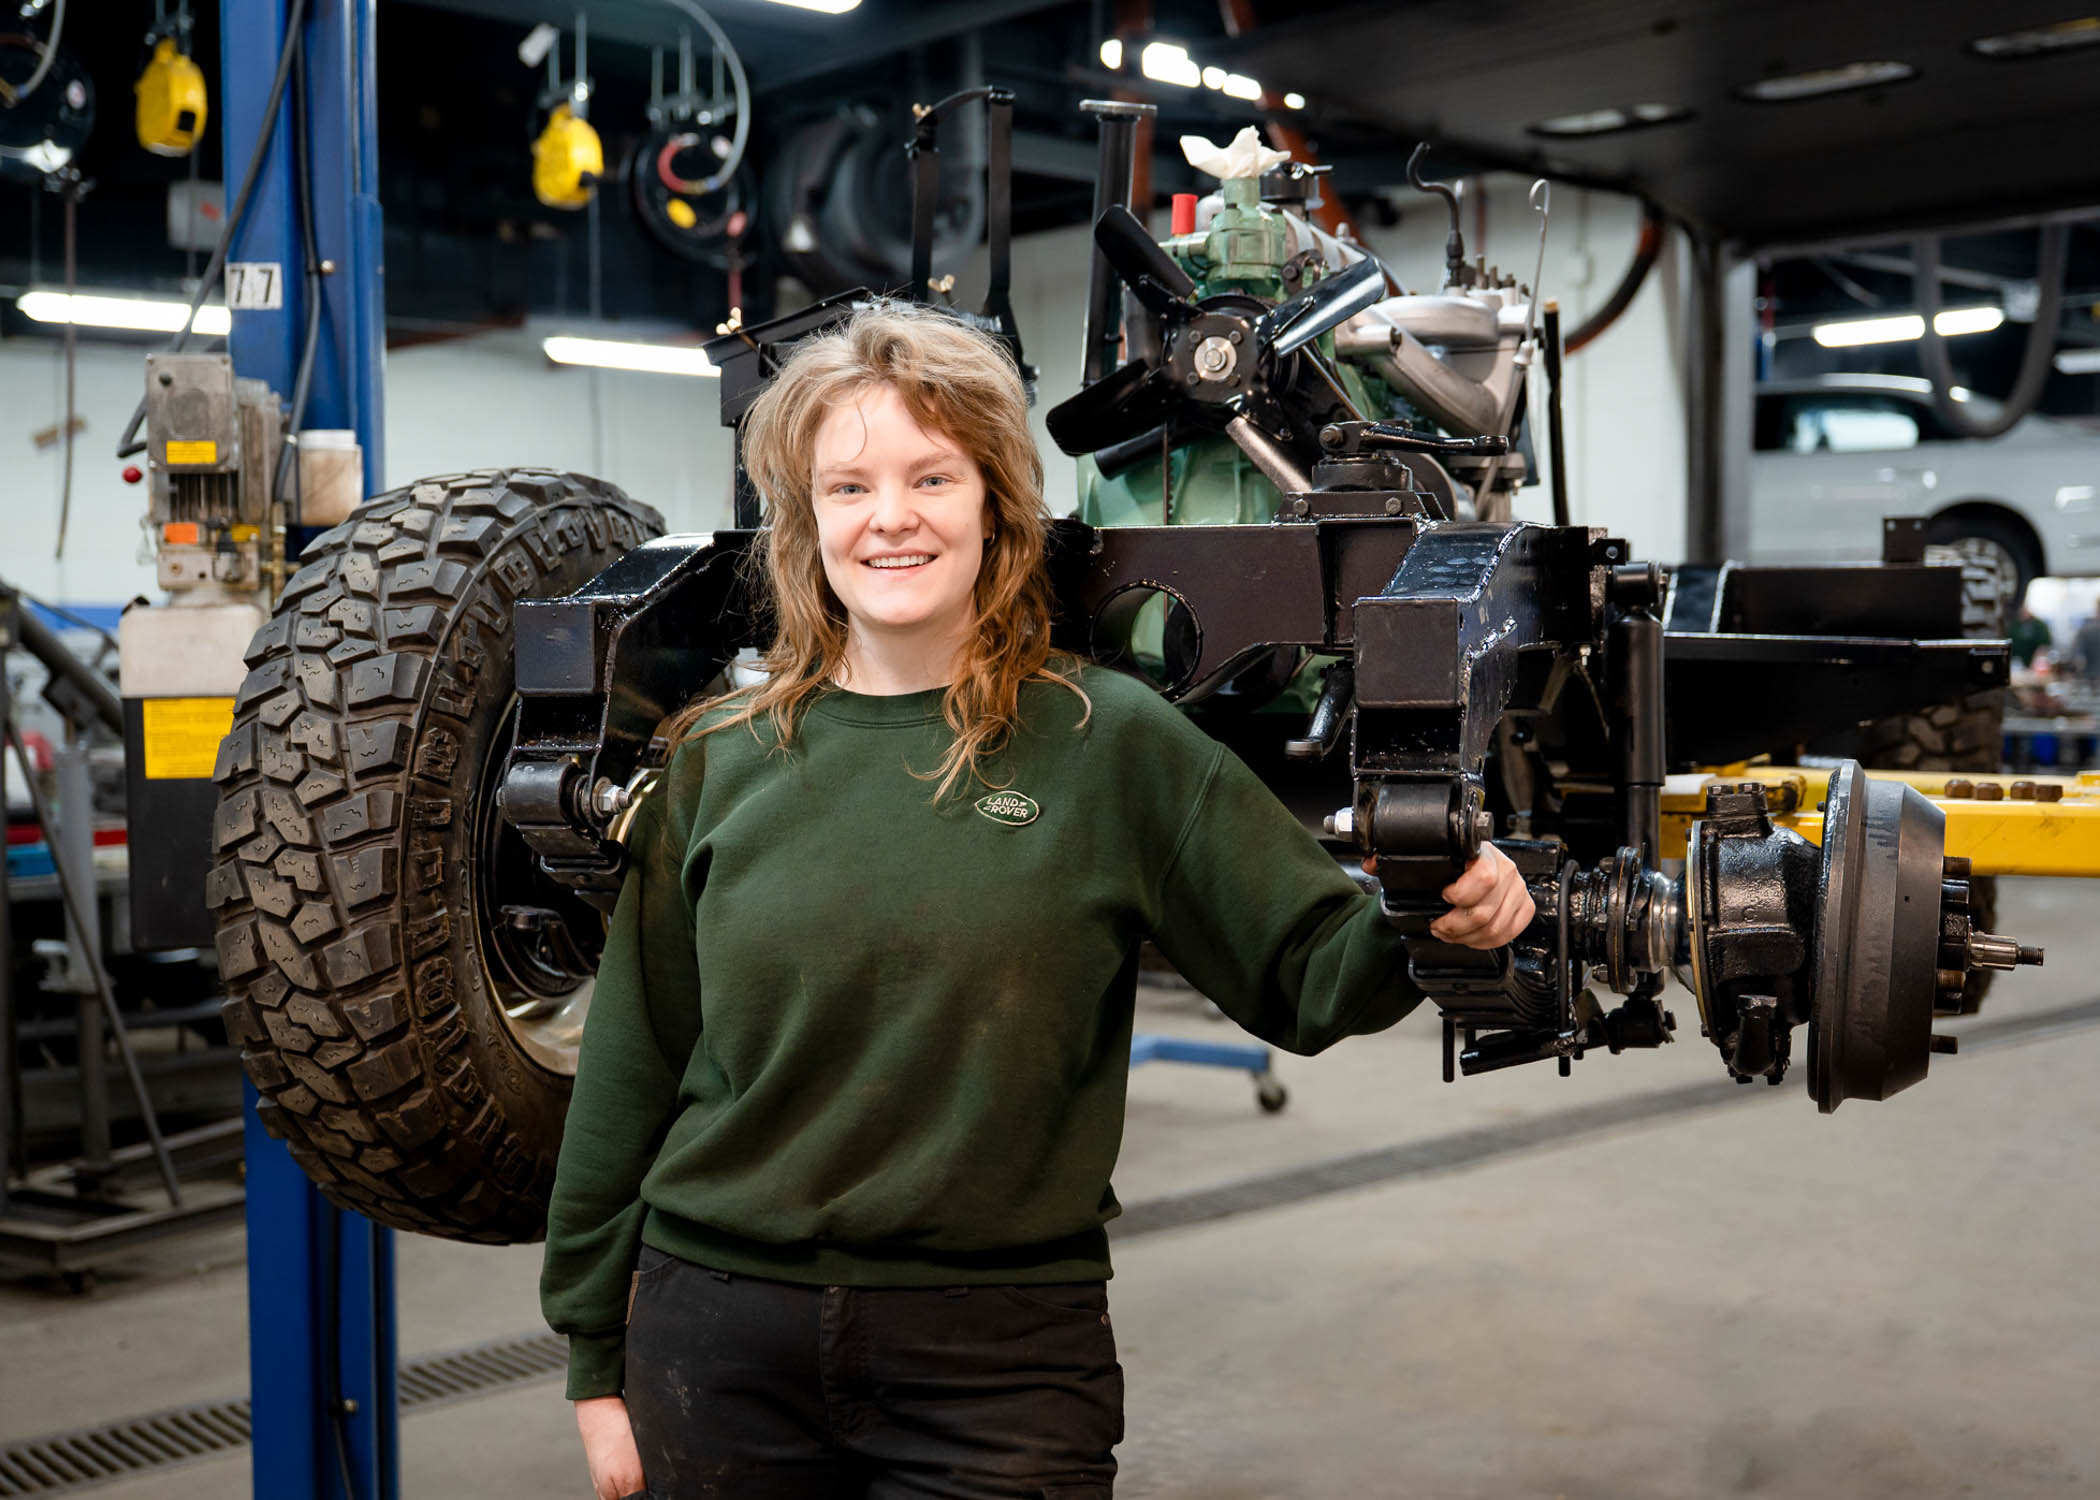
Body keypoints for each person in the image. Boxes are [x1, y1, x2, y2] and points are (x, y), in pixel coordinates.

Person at [539, 305, 1535, 1500]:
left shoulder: (1106, 742)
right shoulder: (722, 759)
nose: (891, 517)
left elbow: (1311, 965)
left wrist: (1434, 910)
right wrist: (599, 1362)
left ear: (995, 501)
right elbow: (632, 1066)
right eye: (848, 487)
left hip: (998, 1364)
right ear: (808, 522)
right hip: (718, 1340)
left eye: (930, 476)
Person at [2010, 605, 2052, 669]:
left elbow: (2043, 647)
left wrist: (2035, 665)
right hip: (2017, 665)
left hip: (2034, 664)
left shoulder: (2039, 625)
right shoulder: (2016, 625)